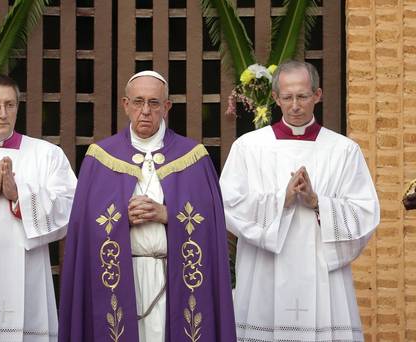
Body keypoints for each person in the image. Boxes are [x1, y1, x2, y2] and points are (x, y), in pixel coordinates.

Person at [58, 70, 236, 342]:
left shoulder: (193, 157)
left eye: (154, 103)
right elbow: (83, 229)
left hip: (175, 277)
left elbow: (212, 227)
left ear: (167, 107)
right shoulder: (100, 158)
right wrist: (120, 218)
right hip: (121, 276)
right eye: (138, 102)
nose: (145, 111)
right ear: (125, 105)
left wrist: (168, 214)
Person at [219, 60, 380, 341]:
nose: (295, 105)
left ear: (317, 95)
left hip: (322, 273)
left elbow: (364, 212)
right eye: (288, 97)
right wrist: (283, 199)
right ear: (275, 98)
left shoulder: (343, 150)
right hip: (264, 271)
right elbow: (228, 204)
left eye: (303, 96)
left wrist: (318, 203)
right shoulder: (249, 148)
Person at [0, 74, 77, 342]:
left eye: (10, 105)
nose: (3, 113)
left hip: (28, 271)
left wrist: (20, 197)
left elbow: (70, 207)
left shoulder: (46, 154)